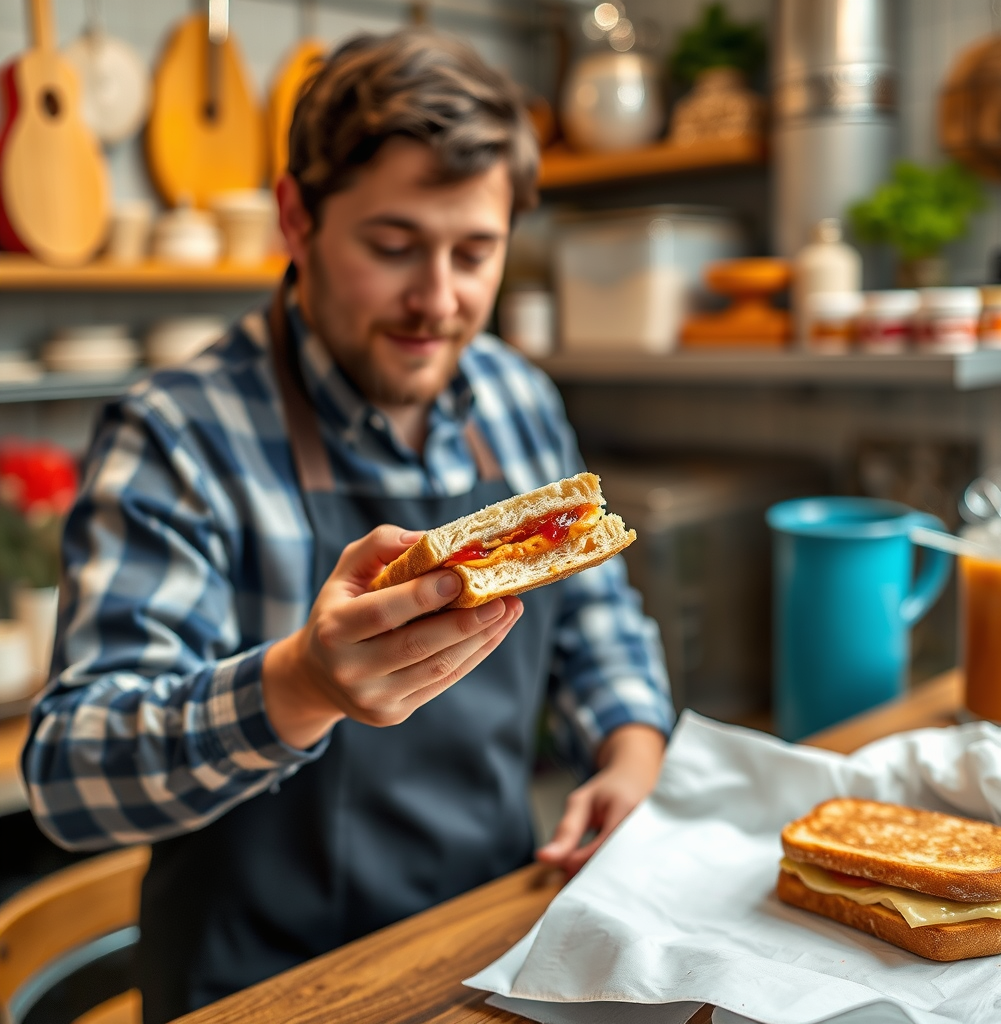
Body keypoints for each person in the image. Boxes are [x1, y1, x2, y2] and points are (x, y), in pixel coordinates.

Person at [21, 30, 675, 1024]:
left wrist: (631, 756)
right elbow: (70, 775)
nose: (441, 299)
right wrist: (300, 686)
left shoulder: (517, 399)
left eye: (475, 252)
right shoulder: (177, 437)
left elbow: (596, 623)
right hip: (264, 989)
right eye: (393, 245)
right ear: (297, 217)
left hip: (488, 952)